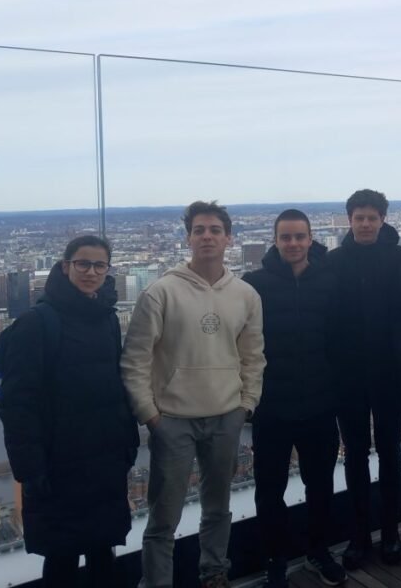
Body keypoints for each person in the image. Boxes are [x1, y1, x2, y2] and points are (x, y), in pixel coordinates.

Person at [121, 201, 265, 588]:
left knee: (218, 508)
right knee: (163, 517)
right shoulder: (161, 292)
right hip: (173, 421)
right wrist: (150, 415)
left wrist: (245, 405)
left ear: (228, 238)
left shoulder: (246, 295)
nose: (207, 237)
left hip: (226, 415)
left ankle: (214, 574)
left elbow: (253, 356)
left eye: (215, 230)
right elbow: (135, 360)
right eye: (199, 230)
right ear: (188, 238)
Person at [0, 235, 139, 587]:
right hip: (58, 467)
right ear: (65, 266)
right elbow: (19, 404)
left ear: (108, 270)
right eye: (83, 264)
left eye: (99, 265)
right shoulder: (36, 323)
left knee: (103, 550)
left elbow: (115, 387)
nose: (91, 272)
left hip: (104, 460)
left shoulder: (108, 319)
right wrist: (30, 470)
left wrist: (127, 445)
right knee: (62, 557)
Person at [242, 210, 345, 587]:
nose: (293, 243)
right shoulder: (253, 285)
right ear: (275, 240)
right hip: (272, 407)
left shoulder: (330, 281)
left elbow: (340, 340)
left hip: (320, 404)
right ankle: (276, 561)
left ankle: (318, 550)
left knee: (321, 486)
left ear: (310, 238)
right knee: (270, 491)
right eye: (286, 237)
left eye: (299, 236)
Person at [326, 189, 401, 570]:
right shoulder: (332, 262)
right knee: (355, 455)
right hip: (348, 377)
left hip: (389, 375)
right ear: (349, 220)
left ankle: (390, 532)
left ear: (382, 220)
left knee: (390, 453)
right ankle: (360, 534)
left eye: (371, 218)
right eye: (359, 218)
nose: (364, 224)